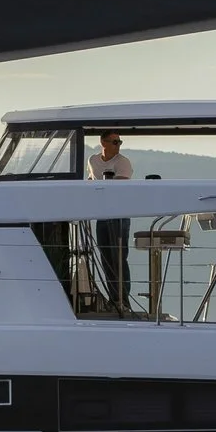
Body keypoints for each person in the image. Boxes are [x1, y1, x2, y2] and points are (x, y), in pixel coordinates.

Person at [89, 131, 134, 314]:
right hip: (102, 213)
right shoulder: (93, 160)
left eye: (119, 142)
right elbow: (91, 180)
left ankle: (122, 299)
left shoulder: (122, 162)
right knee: (106, 256)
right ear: (103, 142)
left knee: (118, 257)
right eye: (115, 142)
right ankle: (113, 297)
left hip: (119, 214)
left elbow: (119, 187)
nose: (118, 145)